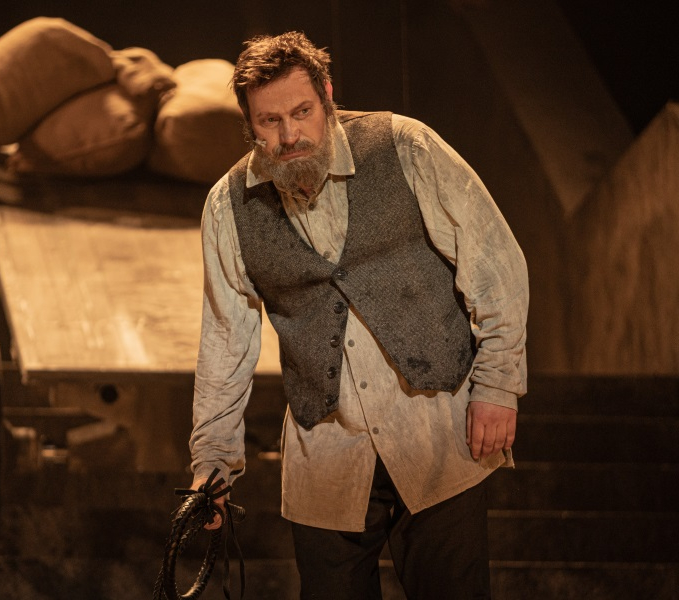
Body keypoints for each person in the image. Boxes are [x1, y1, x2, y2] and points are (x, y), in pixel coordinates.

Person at [188, 31, 528, 599]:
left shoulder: (404, 146)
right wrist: (213, 459)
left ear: (326, 95)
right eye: (270, 121)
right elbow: (226, 339)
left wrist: (497, 383)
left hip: (435, 431)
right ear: (249, 124)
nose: (289, 135)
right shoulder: (229, 206)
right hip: (327, 452)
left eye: (301, 112)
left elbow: (495, 262)